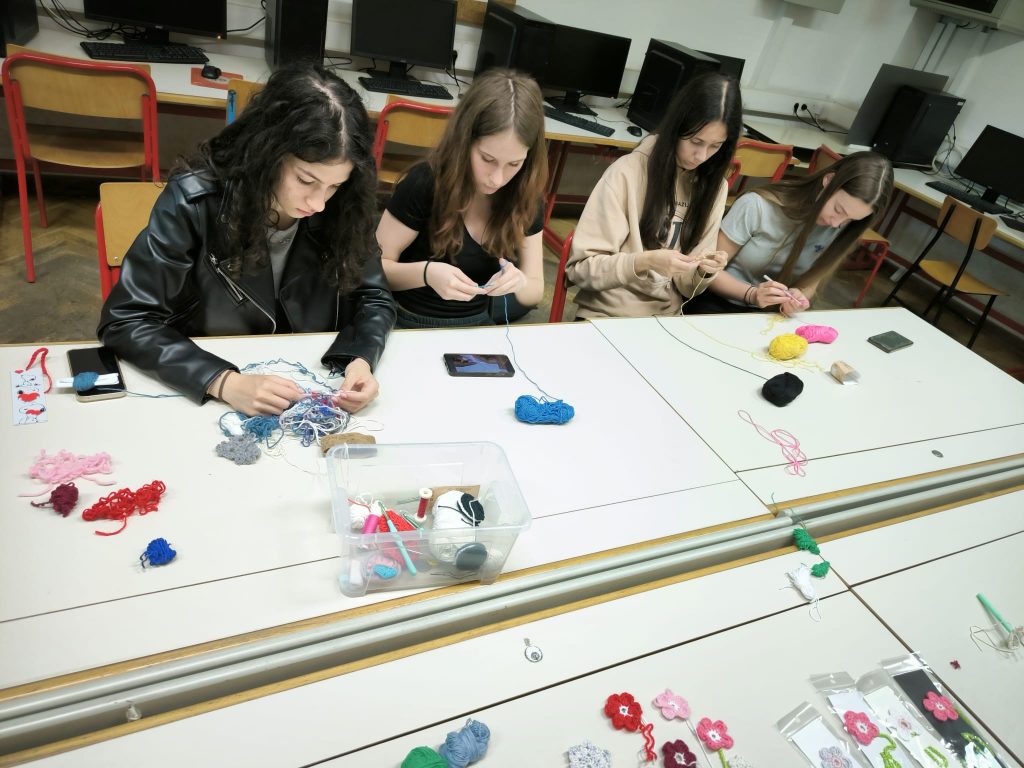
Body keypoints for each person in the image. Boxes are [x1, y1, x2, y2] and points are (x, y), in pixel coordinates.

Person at [98, 62, 396, 416]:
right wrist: (222, 381)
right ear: (267, 153)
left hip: (309, 381)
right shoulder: (196, 202)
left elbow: (374, 298)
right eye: (306, 180)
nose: (319, 203)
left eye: (335, 185)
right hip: (215, 379)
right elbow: (127, 319)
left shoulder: (345, 206)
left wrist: (360, 358)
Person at [375, 68, 548, 328]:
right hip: (407, 320)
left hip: (476, 322)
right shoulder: (425, 183)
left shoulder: (525, 195)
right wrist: (426, 273)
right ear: (464, 141)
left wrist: (519, 282)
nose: (497, 179)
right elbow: (374, 270)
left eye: (514, 164)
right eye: (487, 159)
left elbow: (535, 290)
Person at [566, 72, 743, 318]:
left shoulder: (715, 187)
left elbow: (686, 287)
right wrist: (645, 262)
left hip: (665, 318)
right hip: (606, 314)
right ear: (676, 128)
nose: (702, 156)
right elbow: (581, 271)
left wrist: (704, 271)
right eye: (695, 141)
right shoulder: (627, 172)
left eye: (715, 146)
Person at [690, 151, 894, 315]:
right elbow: (707, 270)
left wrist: (801, 296)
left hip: (771, 313)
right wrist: (752, 295)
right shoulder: (757, 205)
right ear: (828, 180)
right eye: (838, 210)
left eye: (850, 219)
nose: (836, 223)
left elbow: (812, 282)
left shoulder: (842, 227)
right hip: (715, 303)